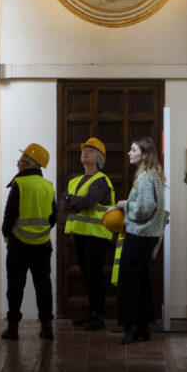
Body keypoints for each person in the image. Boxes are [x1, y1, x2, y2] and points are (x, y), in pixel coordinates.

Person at [1, 143, 57, 341]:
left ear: (27, 163)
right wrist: (41, 232)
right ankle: (47, 327)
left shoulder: (20, 185)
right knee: (43, 286)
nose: (18, 164)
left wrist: (6, 233)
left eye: (21, 160)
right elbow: (53, 218)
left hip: (18, 245)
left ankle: (13, 327)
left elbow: (10, 215)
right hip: (42, 244)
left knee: (15, 287)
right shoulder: (48, 186)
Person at [115, 136, 166, 345]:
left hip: (139, 235)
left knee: (128, 281)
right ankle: (144, 326)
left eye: (133, 149)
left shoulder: (144, 177)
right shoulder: (154, 175)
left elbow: (145, 207)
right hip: (150, 235)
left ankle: (130, 327)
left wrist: (124, 206)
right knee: (143, 280)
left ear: (144, 154)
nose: (129, 153)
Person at [62, 137, 115, 330]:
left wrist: (72, 200)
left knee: (94, 275)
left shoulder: (101, 180)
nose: (85, 151)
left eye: (91, 150)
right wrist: (73, 200)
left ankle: (98, 315)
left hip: (97, 235)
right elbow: (63, 205)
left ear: (99, 158)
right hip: (80, 234)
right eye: (84, 149)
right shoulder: (74, 181)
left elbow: (88, 202)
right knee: (86, 274)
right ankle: (92, 312)